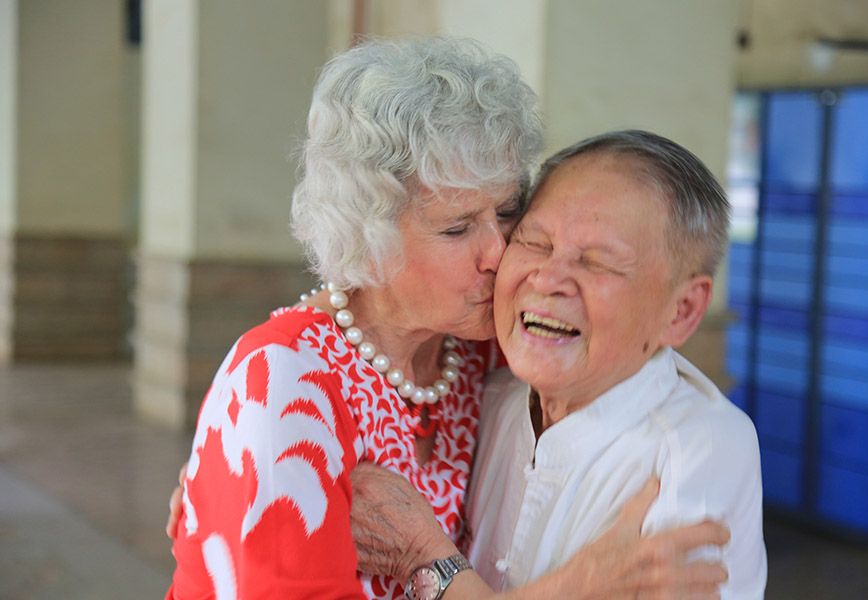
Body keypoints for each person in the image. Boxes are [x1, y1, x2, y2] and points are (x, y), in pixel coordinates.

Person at [166, 36, 730, 600]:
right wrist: (574, 588)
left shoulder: (482, 349)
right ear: (370, 240)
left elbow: (628, 359)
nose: (499, 252)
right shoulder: (284, 388)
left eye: (507, 212)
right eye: (457, 229)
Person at [351, 131, 767, 599]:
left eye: (598, 262)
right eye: (534, 242)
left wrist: (426, 559)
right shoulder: (488, 394)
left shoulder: (698, 450)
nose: (548, 279)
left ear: (682, 311)